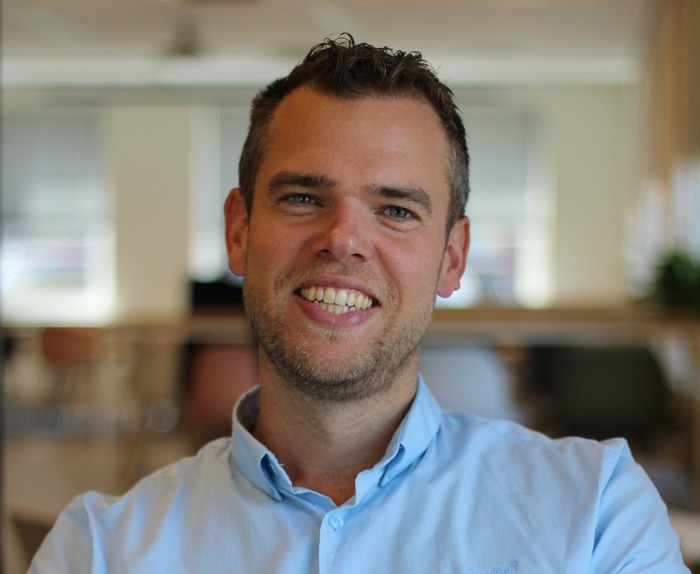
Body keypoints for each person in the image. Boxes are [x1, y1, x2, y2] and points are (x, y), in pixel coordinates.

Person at [30, 34, 689, 573]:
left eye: (396, 210)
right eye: (302, 198)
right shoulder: (99, 550)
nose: (343, 238)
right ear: (239, 231)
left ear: (452, 258)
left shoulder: (596, 514)